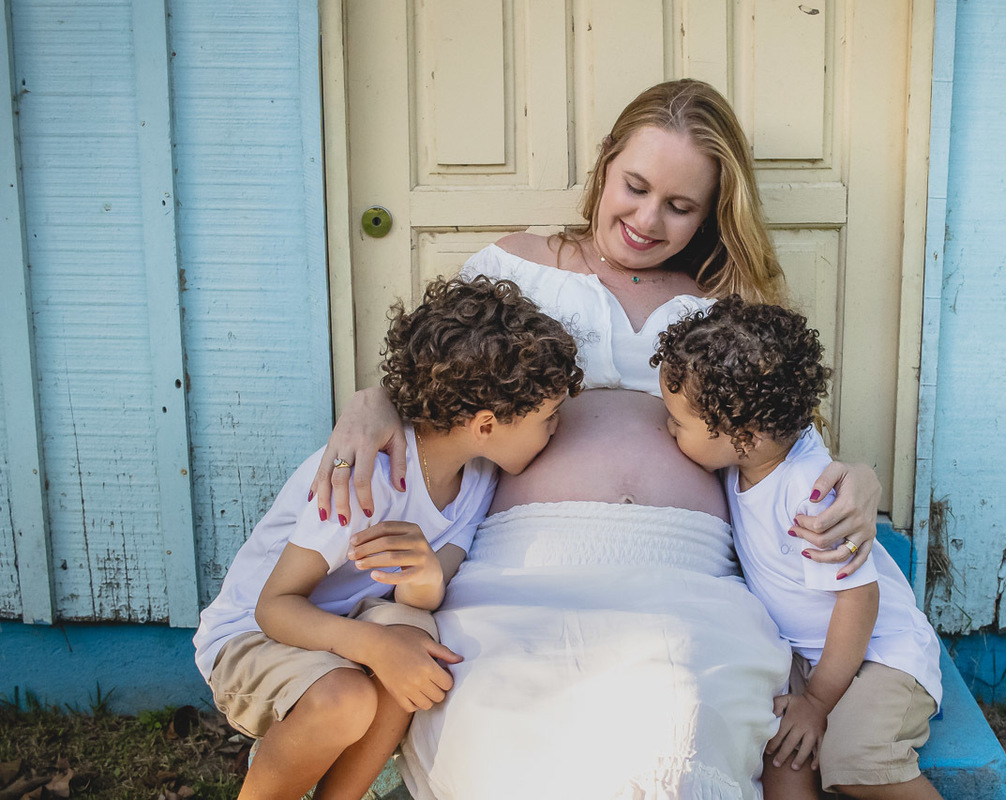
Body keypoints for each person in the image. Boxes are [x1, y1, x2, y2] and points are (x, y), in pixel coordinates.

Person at [320, 79, 886, 798]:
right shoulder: (513, 266)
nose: (647, 219)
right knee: (499, 710)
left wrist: (859, 476)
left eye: (680, 206)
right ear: (606, 161)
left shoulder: (726, 298)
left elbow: (780, 435)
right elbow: (440, 379)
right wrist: (371, 399)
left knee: (684, 718)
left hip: (688, 573)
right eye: (635, 187)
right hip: (520, 562)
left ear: (712, 211)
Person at [193, 276, 583, 800]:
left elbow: (420, 597)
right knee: (348, 696)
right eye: (549, 418)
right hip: (253, 636)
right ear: (487, 425)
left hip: (343, 628)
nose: (556, 429)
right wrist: (375, 646)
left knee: (415, 645)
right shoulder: (368, 479)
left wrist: (424, 576)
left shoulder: (479, 478)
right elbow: (274, 608)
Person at [652, 296, 943, 800]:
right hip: (806, 657)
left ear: (742, 436)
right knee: (782, 759)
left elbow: (860, 599)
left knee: (856, 758)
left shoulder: (808, 495)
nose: (668, 427)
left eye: (678, 423)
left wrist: (817, 702)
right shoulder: (754, 455)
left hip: (878, 653)